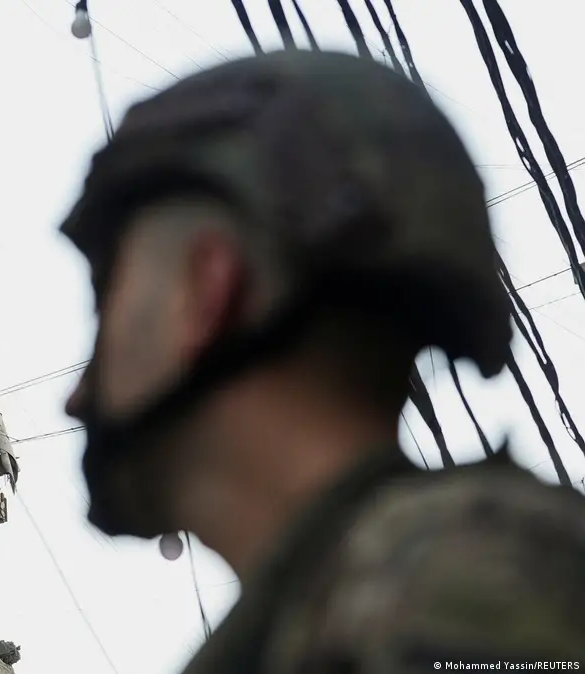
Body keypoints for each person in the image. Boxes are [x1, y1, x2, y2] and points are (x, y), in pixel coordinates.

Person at [59, 50, 585, 671]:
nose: (75, 397)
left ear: (207, 290)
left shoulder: (454, 594)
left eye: (107, 296)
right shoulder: (350, 608)